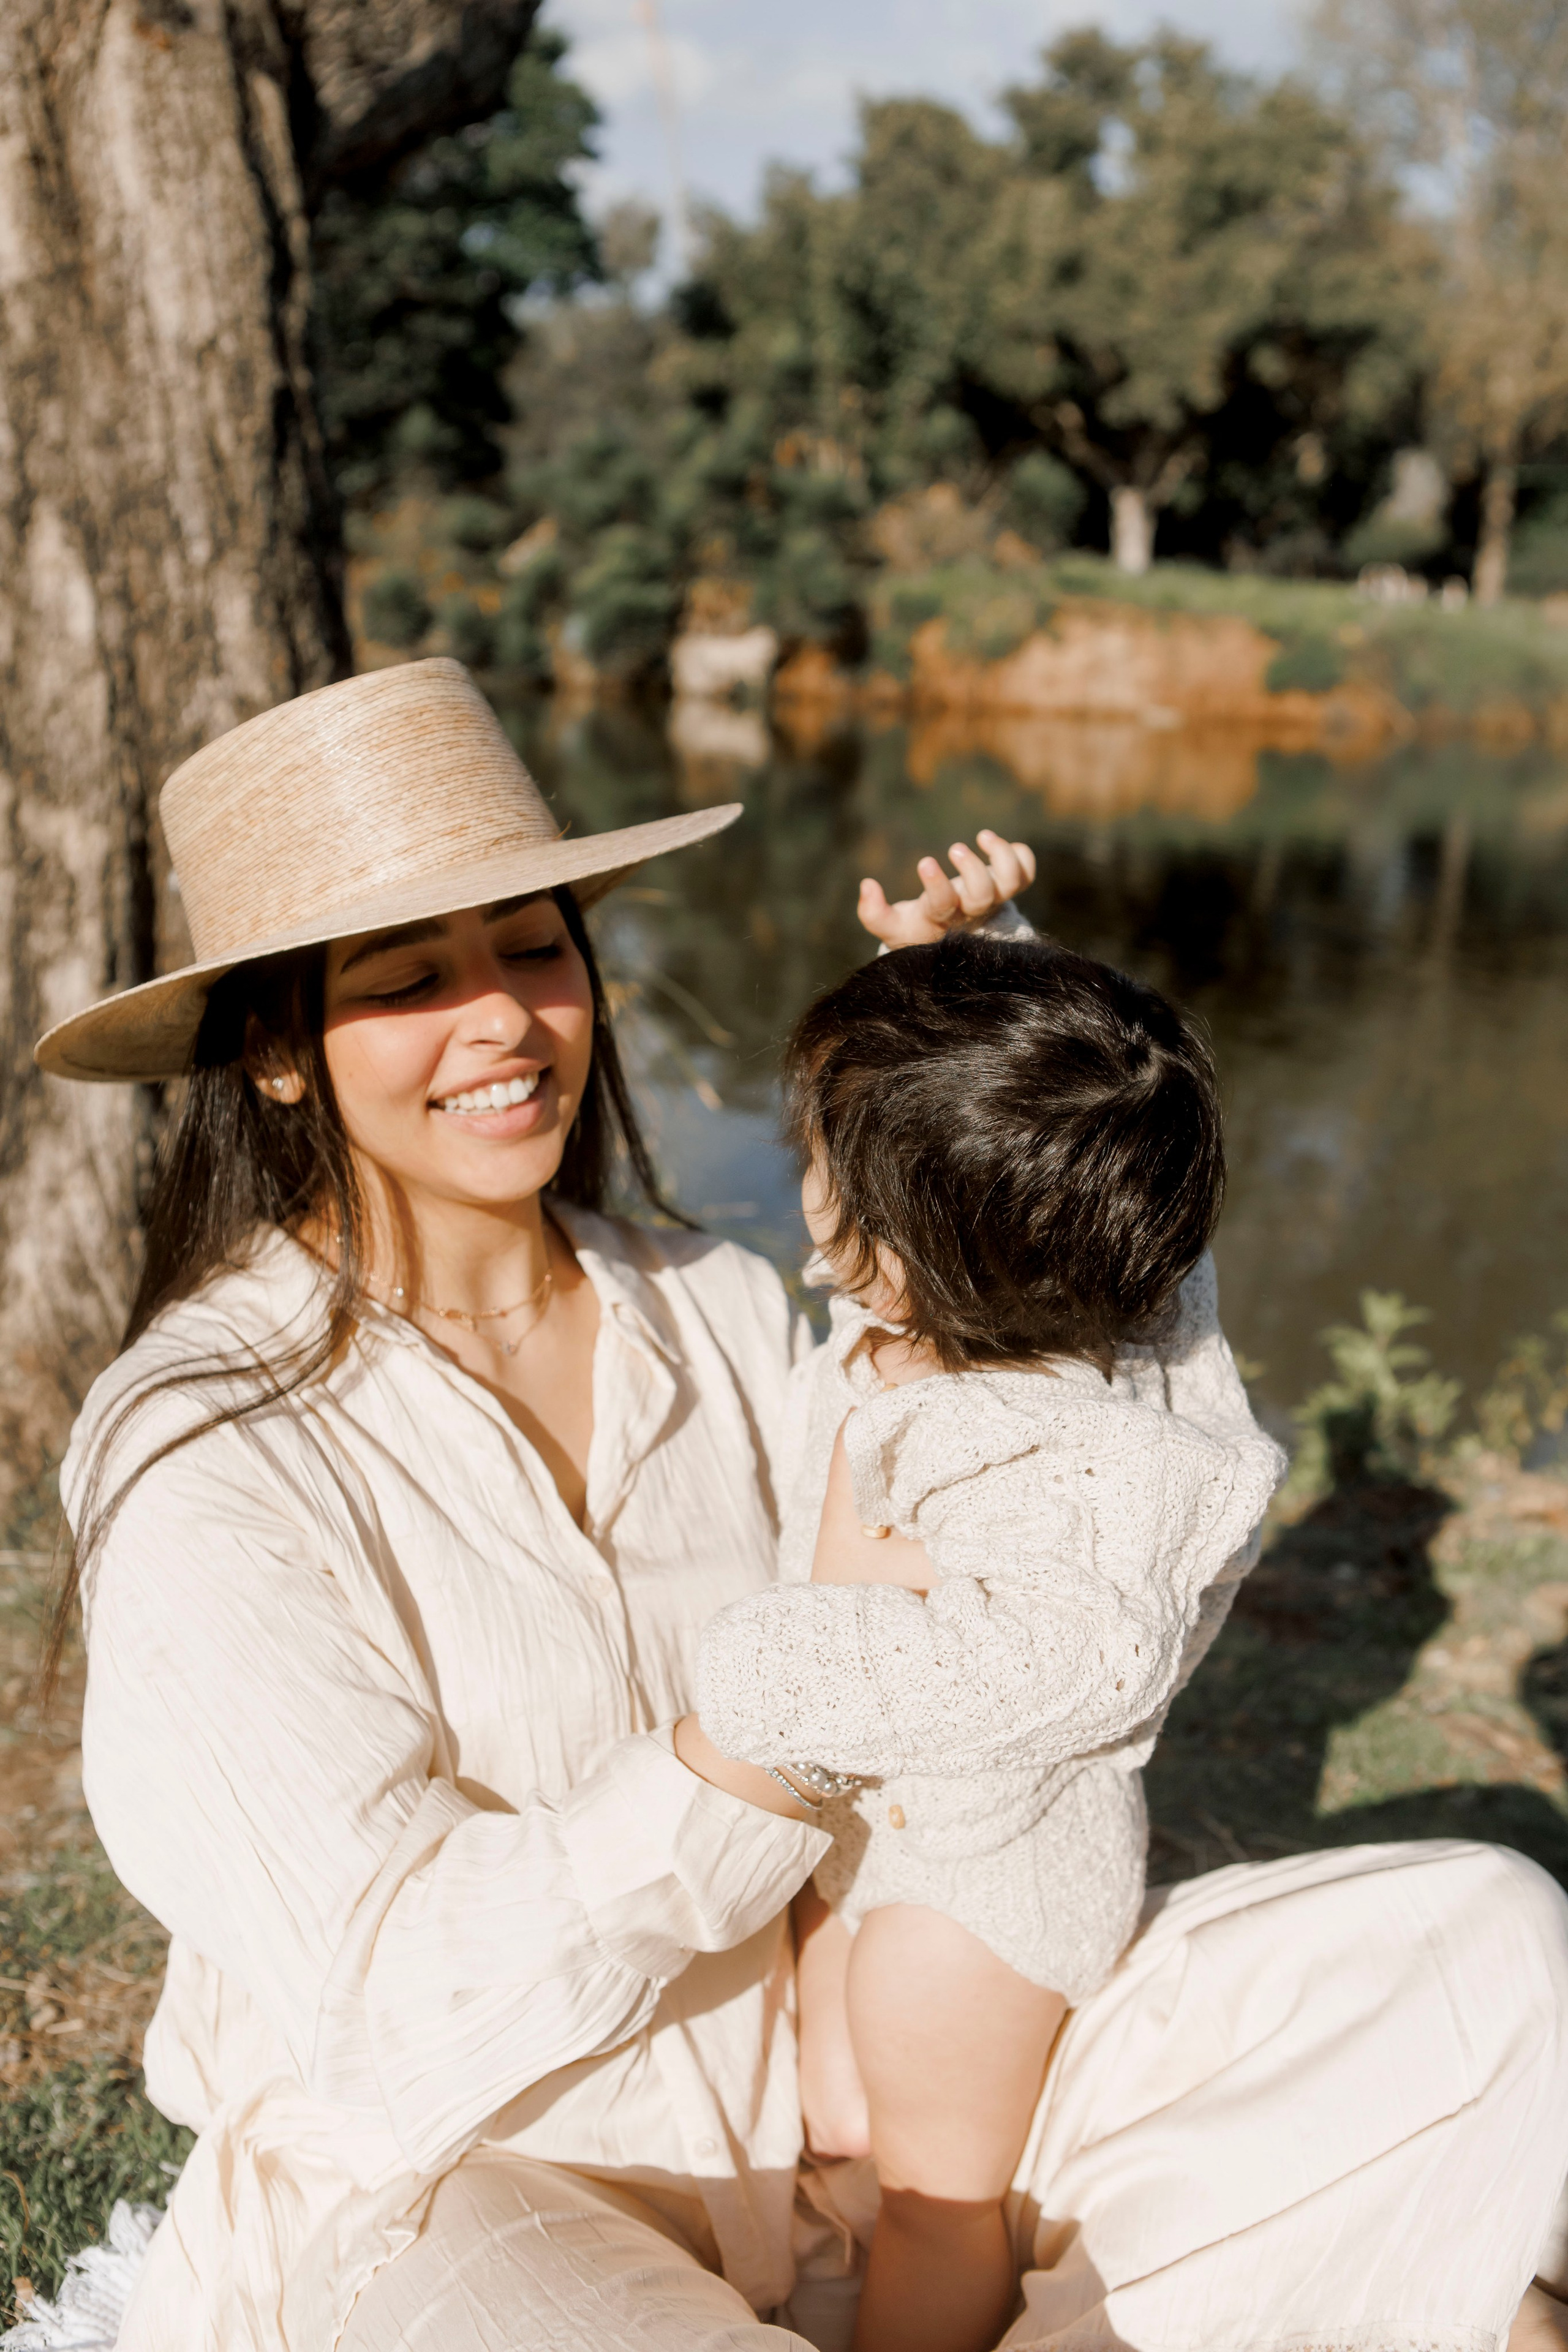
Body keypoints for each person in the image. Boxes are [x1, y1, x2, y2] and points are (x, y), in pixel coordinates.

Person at [34, 658, 1568, 2352]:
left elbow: (1042, 1433)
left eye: (537, 948)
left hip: (843, 2130)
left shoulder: (710, 1307)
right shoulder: (200, 1442)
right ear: (272, 1053)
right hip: (466, 2188)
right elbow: (393, 2005)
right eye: (409, 981)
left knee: (1483, 1949)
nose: (505, 1021)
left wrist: (964, 1086)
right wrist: (743, 1751)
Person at [696, 935, 1286, 2352]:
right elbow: (1066, 1158)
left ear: (896, 1256)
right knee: (836, 2111)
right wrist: (976, 973)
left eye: (821, 1160)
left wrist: (768, 1667)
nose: (804, 1181)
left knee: (937, 2200)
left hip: (984, 1885)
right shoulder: (1023, 1297)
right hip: (893, 1831)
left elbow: (1072, 1658)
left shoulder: (1068, 1448)